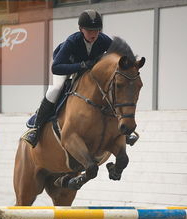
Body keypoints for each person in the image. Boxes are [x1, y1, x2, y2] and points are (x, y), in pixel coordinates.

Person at [23, 9, 139, 148]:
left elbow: (121, 54)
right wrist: (82, 65)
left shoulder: (103, 40)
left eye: (96, 30)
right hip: (65, 66)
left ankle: (124, 132)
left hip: (88, 70)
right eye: (89, 31)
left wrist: (132, 63)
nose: (93, 34)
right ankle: (36, 128)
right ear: (81, 29)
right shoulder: (72, 41)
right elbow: (56, 67)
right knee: (55, 89)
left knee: (110, 90)